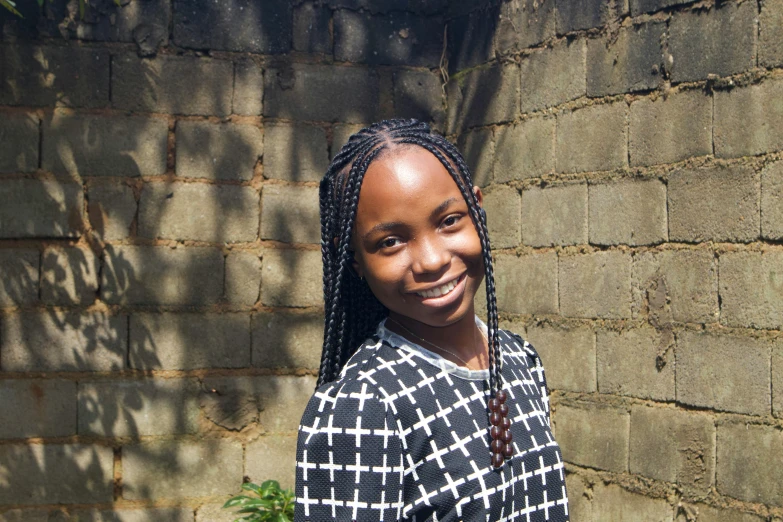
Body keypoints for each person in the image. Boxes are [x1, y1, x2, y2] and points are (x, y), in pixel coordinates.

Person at [294, 119, 569, 521]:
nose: (433, 260)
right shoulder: (364, 404)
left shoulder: (519, 358)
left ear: (477, 207)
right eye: (390, 242)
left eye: (449, 221)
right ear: (354, 259)